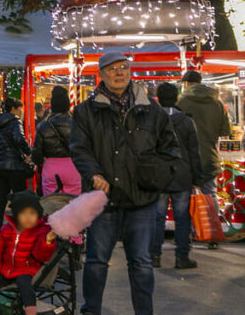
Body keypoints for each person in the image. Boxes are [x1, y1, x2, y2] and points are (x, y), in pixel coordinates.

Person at [70, 52, 179, 315]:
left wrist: (158, 174)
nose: (119, 73)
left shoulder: (150, 109)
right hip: (102, 199)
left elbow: (169, 147)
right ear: (101, 74)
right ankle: (91, 310)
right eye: (112, 69)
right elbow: (79, 148)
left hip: (141, 198)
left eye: (123, 67)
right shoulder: (86, 110)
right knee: (96, 261)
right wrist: (93, 173)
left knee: (141, 263)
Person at [0, 191, 57, 315]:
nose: (28, 217)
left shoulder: (41, 231)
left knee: (24, 284)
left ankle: (30, 312)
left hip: (26, 268)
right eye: (23, 213)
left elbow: (41, 256)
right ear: (16, 215)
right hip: (6, 268)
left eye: (32, 213)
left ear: (38, 215)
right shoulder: (7, 229)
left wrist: (47, 241)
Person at [151, 82, 203, 270]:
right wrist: (197, 178)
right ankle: (182, 257)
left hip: (159, 174)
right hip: (182, 174)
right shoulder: (187, 121)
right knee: (182, 217)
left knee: (157, 216)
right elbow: (193, 151)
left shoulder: (153, 120)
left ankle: (154, 256)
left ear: (158, 98)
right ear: (176, 98)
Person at [176, 70, 231, 198]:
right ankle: (211, 218)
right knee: (210, 196)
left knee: (187, 199)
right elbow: (225, 131)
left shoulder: (180, 103)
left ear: (186, 84)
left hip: (186, 160)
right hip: (209, 159)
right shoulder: (217, 103)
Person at [0, 98, 31, 234]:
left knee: (1, 200)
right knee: (19, 200)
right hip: (14, 166)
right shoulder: (15, 121)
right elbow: (19, 139)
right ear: (14, 108)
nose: (22, 111)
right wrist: (28, 152)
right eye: (20, 108)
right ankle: (18, 232)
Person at [32, 86, 80, 197]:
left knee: (51, 204)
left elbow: (37, 154)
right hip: (73, 168)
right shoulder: (77, 124)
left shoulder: (43, 126)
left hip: (51, 168)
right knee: (73, 204)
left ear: (52, 106)